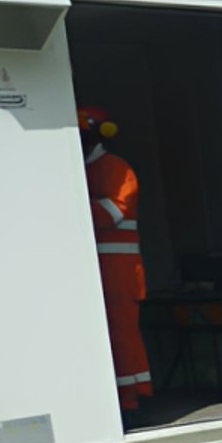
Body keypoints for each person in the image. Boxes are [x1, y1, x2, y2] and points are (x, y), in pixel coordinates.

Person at [80, 105, 153, 420]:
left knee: (121, 332)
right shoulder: (82, 169)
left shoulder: (116, 168)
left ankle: (133, 399)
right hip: (97, 268)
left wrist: (72, 201)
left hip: (119, 270)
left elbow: (111, 214)